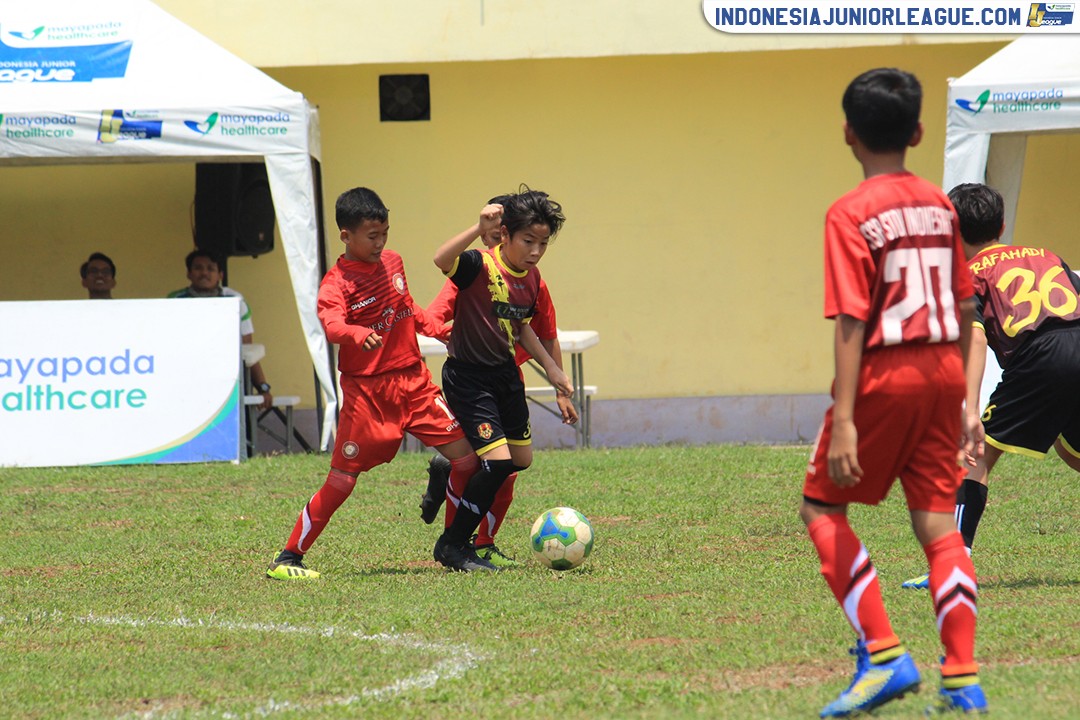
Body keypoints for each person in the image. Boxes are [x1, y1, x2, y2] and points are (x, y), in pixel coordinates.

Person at [799, 68, 987, 717]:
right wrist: (965, 402)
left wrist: (846, 417)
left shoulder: (848, 213)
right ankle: (962, 677)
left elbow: (852, 317)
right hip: (943, 372)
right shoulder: (940, 203)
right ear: (919, 131)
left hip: (888, 372)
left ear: (848, 133)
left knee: (821, 509)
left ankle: (883, 655)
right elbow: (965, 303)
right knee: (939, 527)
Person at [266, 186, 486, 578]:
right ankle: (288, 558)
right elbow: (331, 324)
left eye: (385, 233)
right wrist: (355, 334)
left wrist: (435, 328)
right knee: (342, 481)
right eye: (372, 236)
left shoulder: (393, 262)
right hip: (367, 394)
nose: (380, 242)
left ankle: (453, 545)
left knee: (467, 460)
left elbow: (405, 306)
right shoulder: (336, 284)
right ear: (346, 235)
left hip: (414, 383)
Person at [902, 183, 1080, 591]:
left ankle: (952, 568)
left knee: (973, 457)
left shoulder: (969, 275)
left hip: (1041, 355)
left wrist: (969, 413)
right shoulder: (1046, 256)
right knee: (1074, 455)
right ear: (1002, 224)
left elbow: (976, 338)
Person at [419, 194, 579, 568]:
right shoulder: (478, 266)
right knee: (497, 464)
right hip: (469, 379)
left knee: (519, 460)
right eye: (528, 241)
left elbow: (524, 328)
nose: (536, 251)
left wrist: (554, 373)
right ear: (503, 235)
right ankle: (453, 545)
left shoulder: (533, 278)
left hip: (505, 377)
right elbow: (441, 260)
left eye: (543, 243)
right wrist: (477, 227)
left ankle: (450, 470)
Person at [168, 249, 272, 411]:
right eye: (198, 268)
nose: (204, 273)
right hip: (187, 379)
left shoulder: (235, 301)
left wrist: (263, 388)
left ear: (220, 275)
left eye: (211, 268)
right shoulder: (175, 300)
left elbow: (247, 352)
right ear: (188, 273)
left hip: (229, 381)